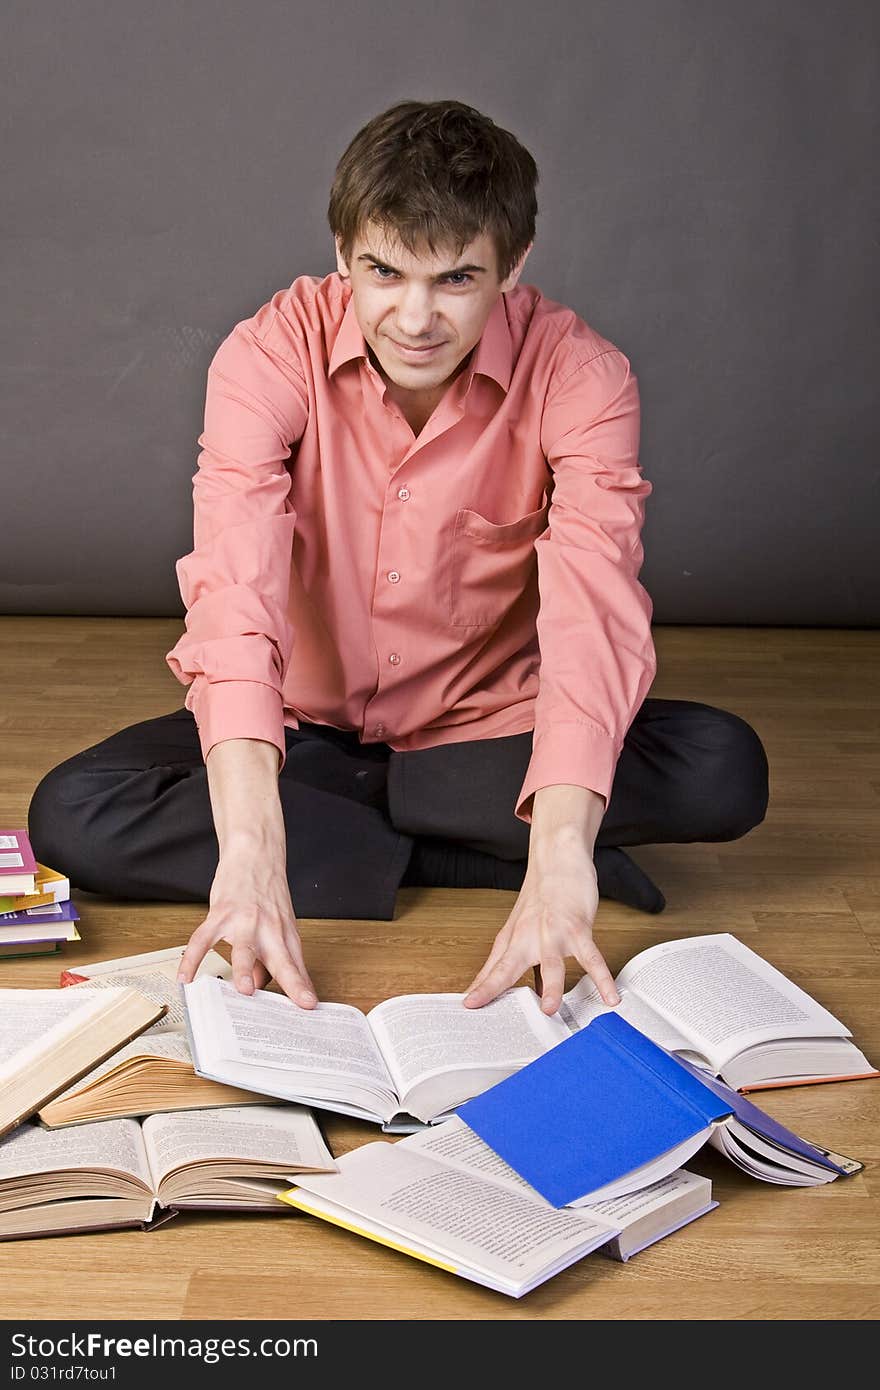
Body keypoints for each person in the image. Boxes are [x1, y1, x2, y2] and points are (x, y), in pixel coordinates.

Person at [27, 98, 769, 1019]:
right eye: (383, 272)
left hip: (487, 730)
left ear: (513, 266)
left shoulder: (581, 375)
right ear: (342, 253)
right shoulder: (268, 354)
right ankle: (454, 848)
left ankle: (439, 836)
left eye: (456, 279)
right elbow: (235, 599)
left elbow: (594, 614)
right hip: (310, 730)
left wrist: (564, 851)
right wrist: (251, 858)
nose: (414, 318)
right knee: (71, 813)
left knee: (723, 765)